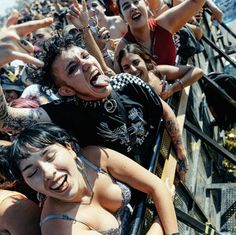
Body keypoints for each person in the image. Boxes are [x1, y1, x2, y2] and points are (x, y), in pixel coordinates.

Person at [0, 15, 188, 180]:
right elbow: (6, 120)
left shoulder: (127, 82)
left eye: (85, 55)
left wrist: (180, 152)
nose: (87, 64)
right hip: (142, 201)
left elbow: (165, 110)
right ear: (66, 90)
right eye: (73, 68)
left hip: (169, 169)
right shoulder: (66, 113)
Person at [0, 122, 181, 235]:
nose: (48, 173)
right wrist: (160, 216)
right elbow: (162, 192)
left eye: (50, 156)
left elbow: (156, 186)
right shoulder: (57, 228)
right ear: (26, 183)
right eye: (32, 173)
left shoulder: (95, 158)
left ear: (69, 148)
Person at [117, 43, 204, 100]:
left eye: (136, 62)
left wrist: (172, 89)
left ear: (144, 60)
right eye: (126, 67)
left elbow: (197, 71)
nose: (133, 69)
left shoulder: (157, 71)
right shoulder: (128, 94)